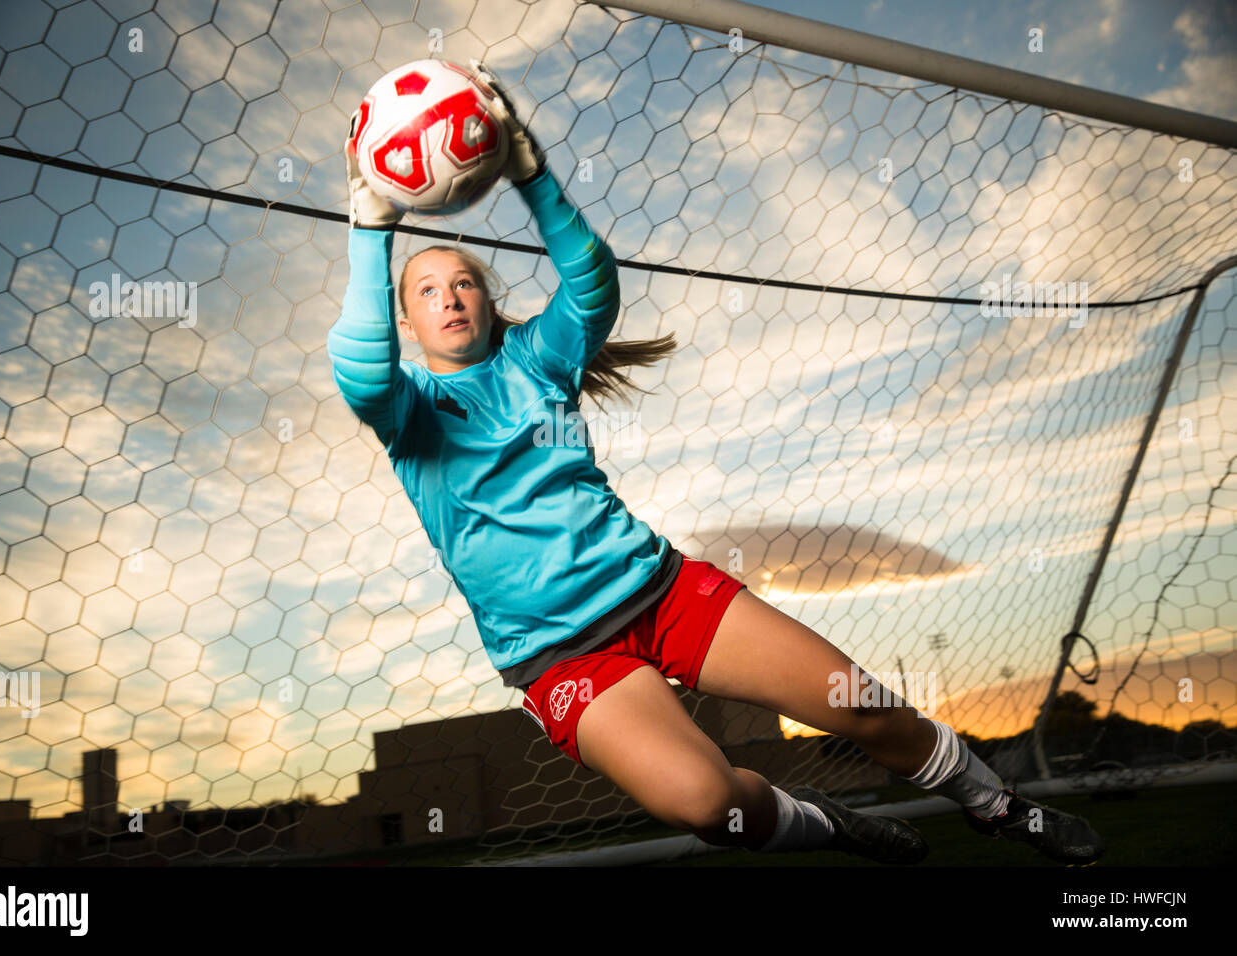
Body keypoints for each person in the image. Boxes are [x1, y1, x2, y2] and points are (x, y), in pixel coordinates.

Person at [327, 63, 1104, 864]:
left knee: (862, 705)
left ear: (490, 303)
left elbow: (592, 284)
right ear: (407, 321)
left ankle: (996, 804)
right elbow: (359, 370)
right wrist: (371, 222)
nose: (450, 297)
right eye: (426, 291)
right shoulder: (406, 408)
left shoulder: (536, 359)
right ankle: (824, 821)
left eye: (464, 283)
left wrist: (530, 170)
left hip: (658, 591)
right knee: (707, 803)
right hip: (563, 657)